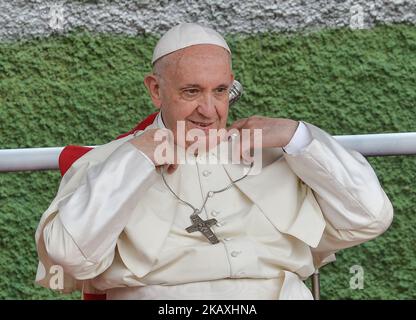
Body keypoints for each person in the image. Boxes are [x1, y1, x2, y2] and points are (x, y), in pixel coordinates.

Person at [35, 23, 393, 300]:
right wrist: (138, 159)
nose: (209, 111)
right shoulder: (112, 161)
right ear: (156, 90)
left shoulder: (273, 152)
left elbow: (370, 217)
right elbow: (69, 257)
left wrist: (299, 137)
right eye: (192, 92)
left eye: (220, 91)